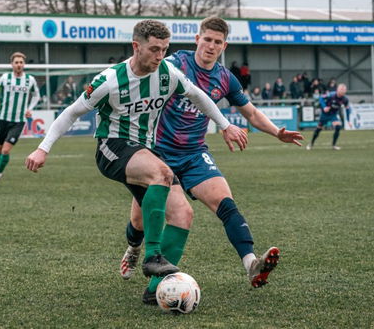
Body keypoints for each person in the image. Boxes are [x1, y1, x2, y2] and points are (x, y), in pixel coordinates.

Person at [25, 19, 248, 289]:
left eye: (164, 49)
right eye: (154, 49)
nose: (160, 56)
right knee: (163, 173)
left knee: (183, 215)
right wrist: (42, 148)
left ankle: (156, 290)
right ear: (136, 46)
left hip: (147, 151)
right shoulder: (110, 80)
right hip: (113, 148)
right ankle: (152, 254)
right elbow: (71, 113)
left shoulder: (168, 74)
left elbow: (199, 96)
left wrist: (224, 126)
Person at [117, 17, 303, 303]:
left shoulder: (225, 78)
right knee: (139, 221)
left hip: (194, 154)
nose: (211, 46)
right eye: (207, 40)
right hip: (156, 154)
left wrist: (277, 132)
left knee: (225, 203)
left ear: (224, 45)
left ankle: (252, 264)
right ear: (197, 39)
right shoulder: (176, 63)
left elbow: (251, 113)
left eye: (218, 42)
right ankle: (133, 248)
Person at [0, 52, 40, 187]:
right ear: (12, 64)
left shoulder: (30, 80)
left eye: (21, 62)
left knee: (5, 150)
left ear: (24, 64)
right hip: (4, 119)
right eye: (16, 62)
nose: (19, 65)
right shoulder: (5, 78)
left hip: (18, 121)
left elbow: (36, 96)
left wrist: (30, 108)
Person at [307, 83, 351, 150]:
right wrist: (324, 107)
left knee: (338, 126)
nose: (343, 91)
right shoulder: (331, 95)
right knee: (318, 129)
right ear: (337, 90)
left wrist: (348, 120)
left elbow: (347, 109)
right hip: (325, 114)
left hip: (333, 115)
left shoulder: (345, 99)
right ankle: (311, 143)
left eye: (344, 90)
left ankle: (334, 145)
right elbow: (321, 98)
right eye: (341, 89)